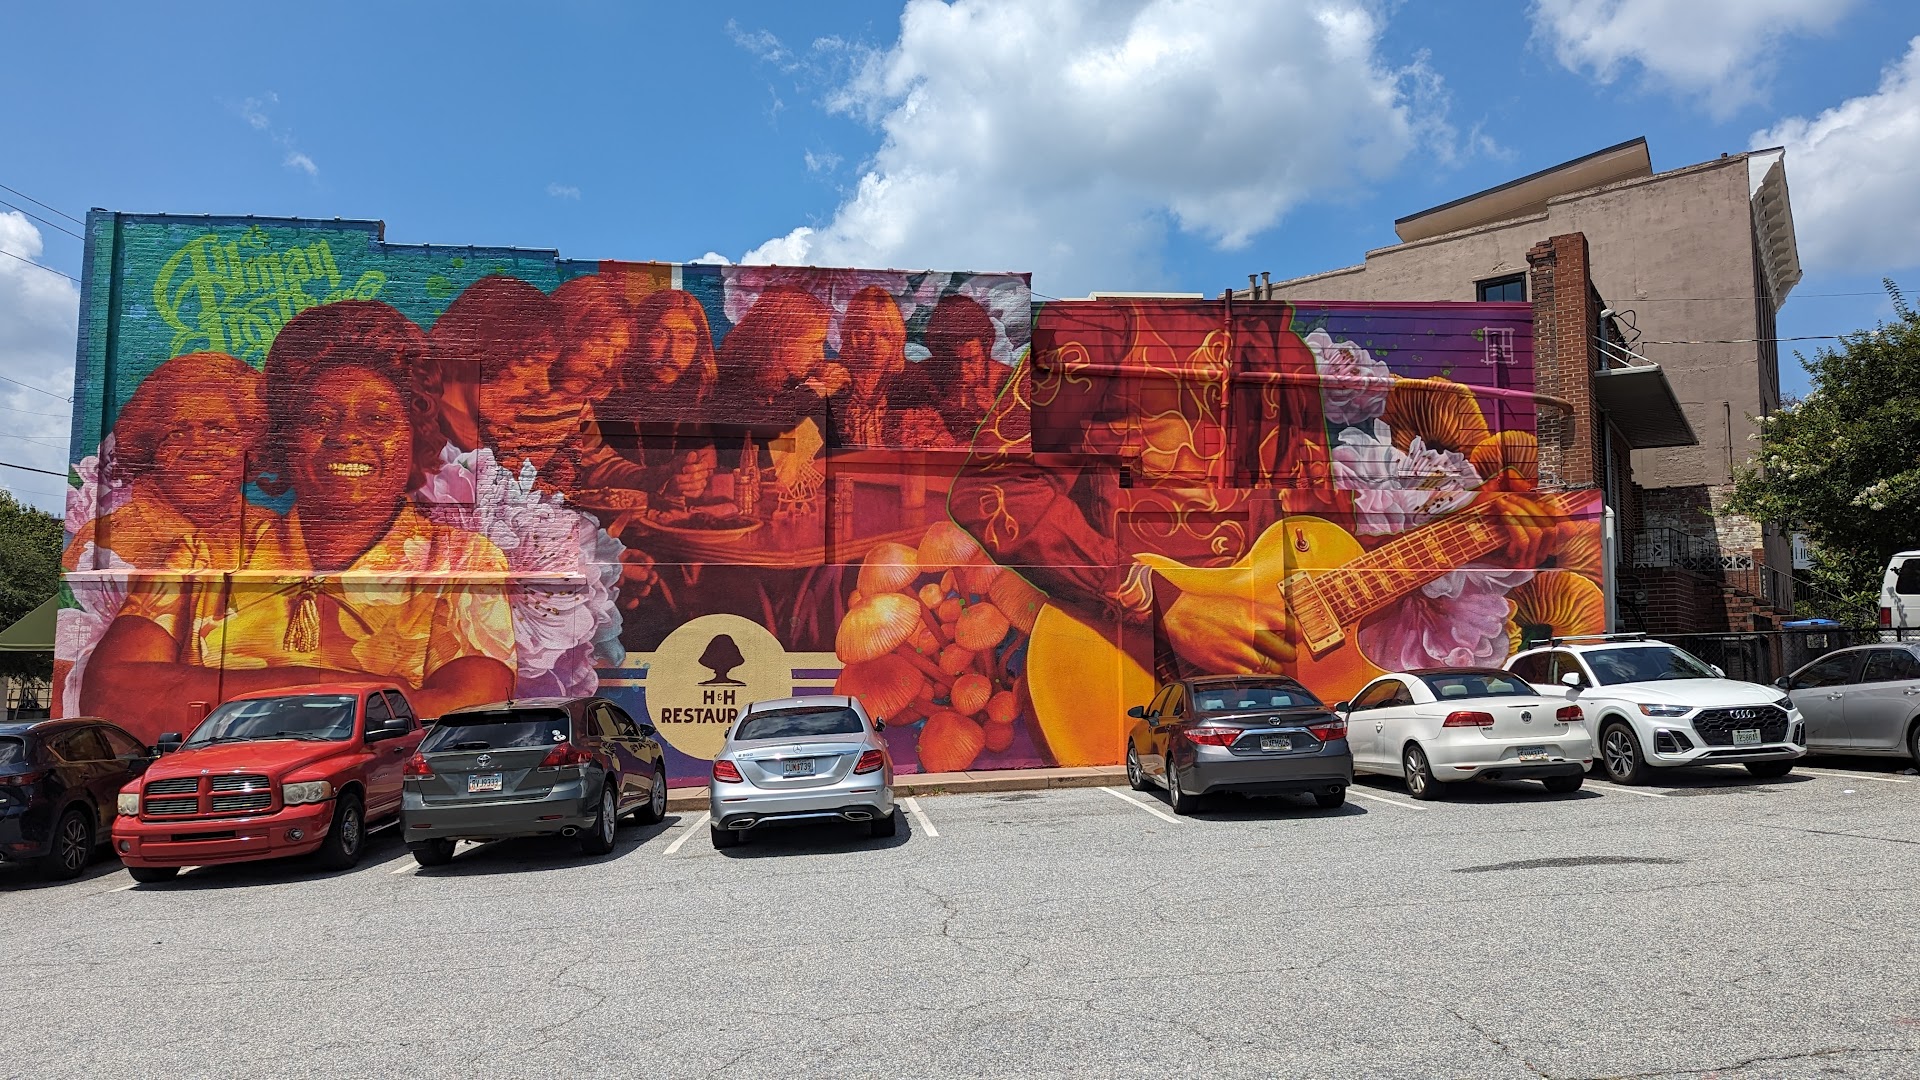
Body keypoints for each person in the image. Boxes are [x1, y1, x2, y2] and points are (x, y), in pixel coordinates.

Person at [81, 301, 517, 725]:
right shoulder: (208, 553)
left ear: (414, 436)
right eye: (319, 419)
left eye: (377, 420)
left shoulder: (461, 561)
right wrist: (371, 692)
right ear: (285, 438)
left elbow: (469, 710)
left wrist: (222, 700)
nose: (346, 436)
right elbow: (111, 695)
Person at [64, 352, 284, 573]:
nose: (197, 449)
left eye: (218, 431)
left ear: (252, 445)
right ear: (150, 448)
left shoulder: (272, 532)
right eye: (176, 434)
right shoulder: (102, 541)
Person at [828, 285, 947, 448]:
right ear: (851, 335)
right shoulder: (831, 379)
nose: (875, 343)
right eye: (865, 333)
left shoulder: (914, 382)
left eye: (884, 334)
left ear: (896, 338)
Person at [919, 293, 1010, 446]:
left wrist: (995, 416)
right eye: (953, 361)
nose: (962, 371)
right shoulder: (921, 377)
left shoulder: (1008, 382)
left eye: (971, 360)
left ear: (986, 349)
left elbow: (1017, 441)